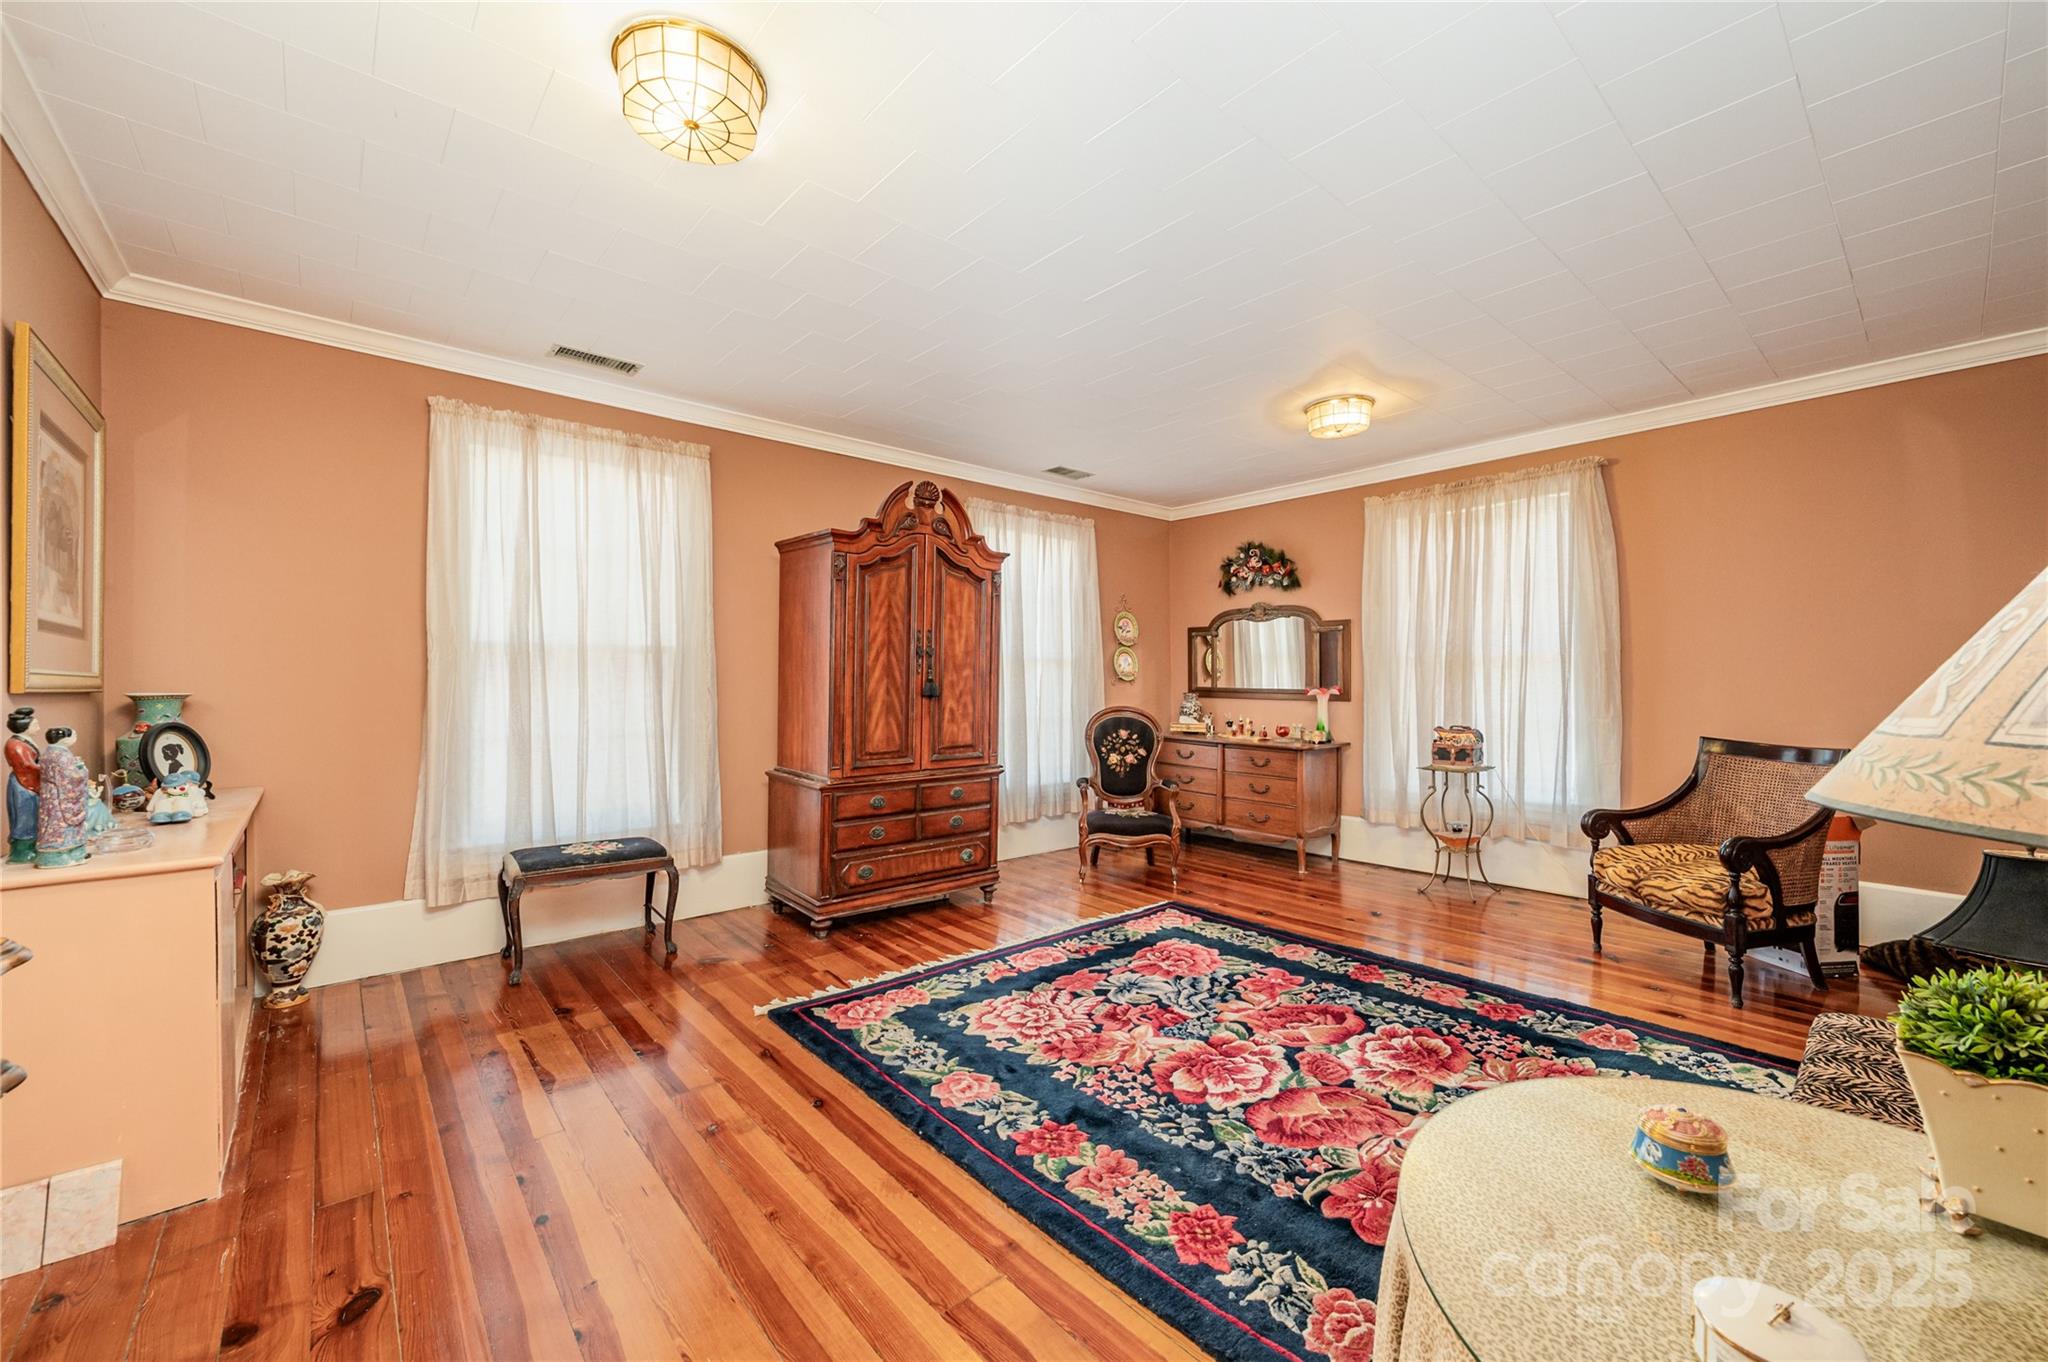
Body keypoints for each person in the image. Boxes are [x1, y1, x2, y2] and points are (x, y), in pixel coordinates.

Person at [4, 709, 38, 865]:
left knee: (33, 815)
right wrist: (49, 766)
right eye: (35, 724)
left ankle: (32, 848)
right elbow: (27, 766)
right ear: (26, 726)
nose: (38, 725)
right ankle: (22, 852)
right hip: (23, 784)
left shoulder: (23, 741)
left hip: (29, 783)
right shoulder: (15, 745)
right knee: (24, 818)